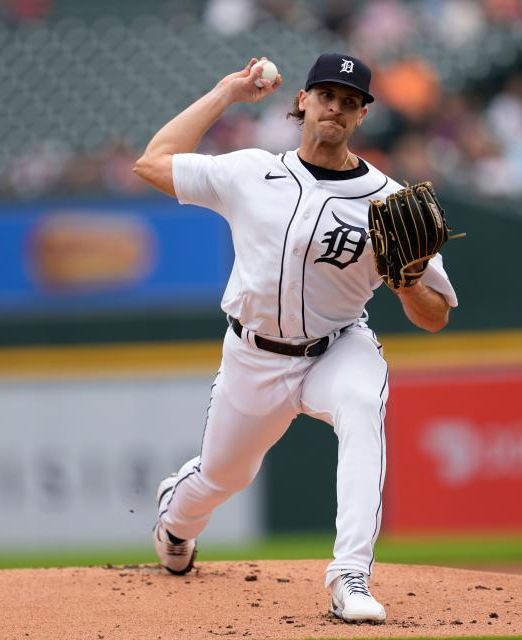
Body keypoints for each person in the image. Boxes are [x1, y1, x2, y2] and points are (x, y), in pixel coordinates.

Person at [133, 52, 458, 624]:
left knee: (362, 404)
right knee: (221, 477)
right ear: (302, 101)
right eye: (327, 95)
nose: (337, 106)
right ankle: (175, 520)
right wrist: (226, 93)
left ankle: (350, 576)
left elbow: (434, 316)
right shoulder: (250, 172)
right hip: (252, 356)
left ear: (362, 115)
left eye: (350, 100)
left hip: (337, 347)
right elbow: (152, 162)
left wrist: (407, 284)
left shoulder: (388, 198)